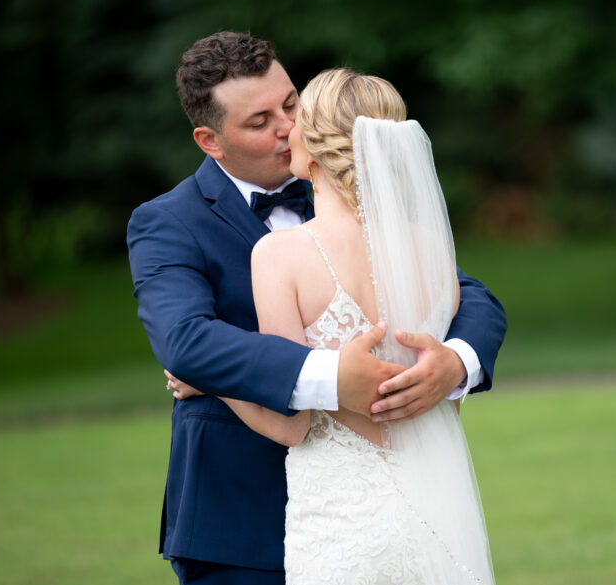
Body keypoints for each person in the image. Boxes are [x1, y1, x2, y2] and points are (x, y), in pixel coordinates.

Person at [127, 32, 506, 585]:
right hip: (237, 520)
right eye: (259, 122)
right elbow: (185, 341)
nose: (287, 129)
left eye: (290, 105)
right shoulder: (167, 221)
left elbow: (470, 295)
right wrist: (332, 377)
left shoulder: (350, 188)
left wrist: (457, 361)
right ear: (210, 140)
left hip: (397, 501)